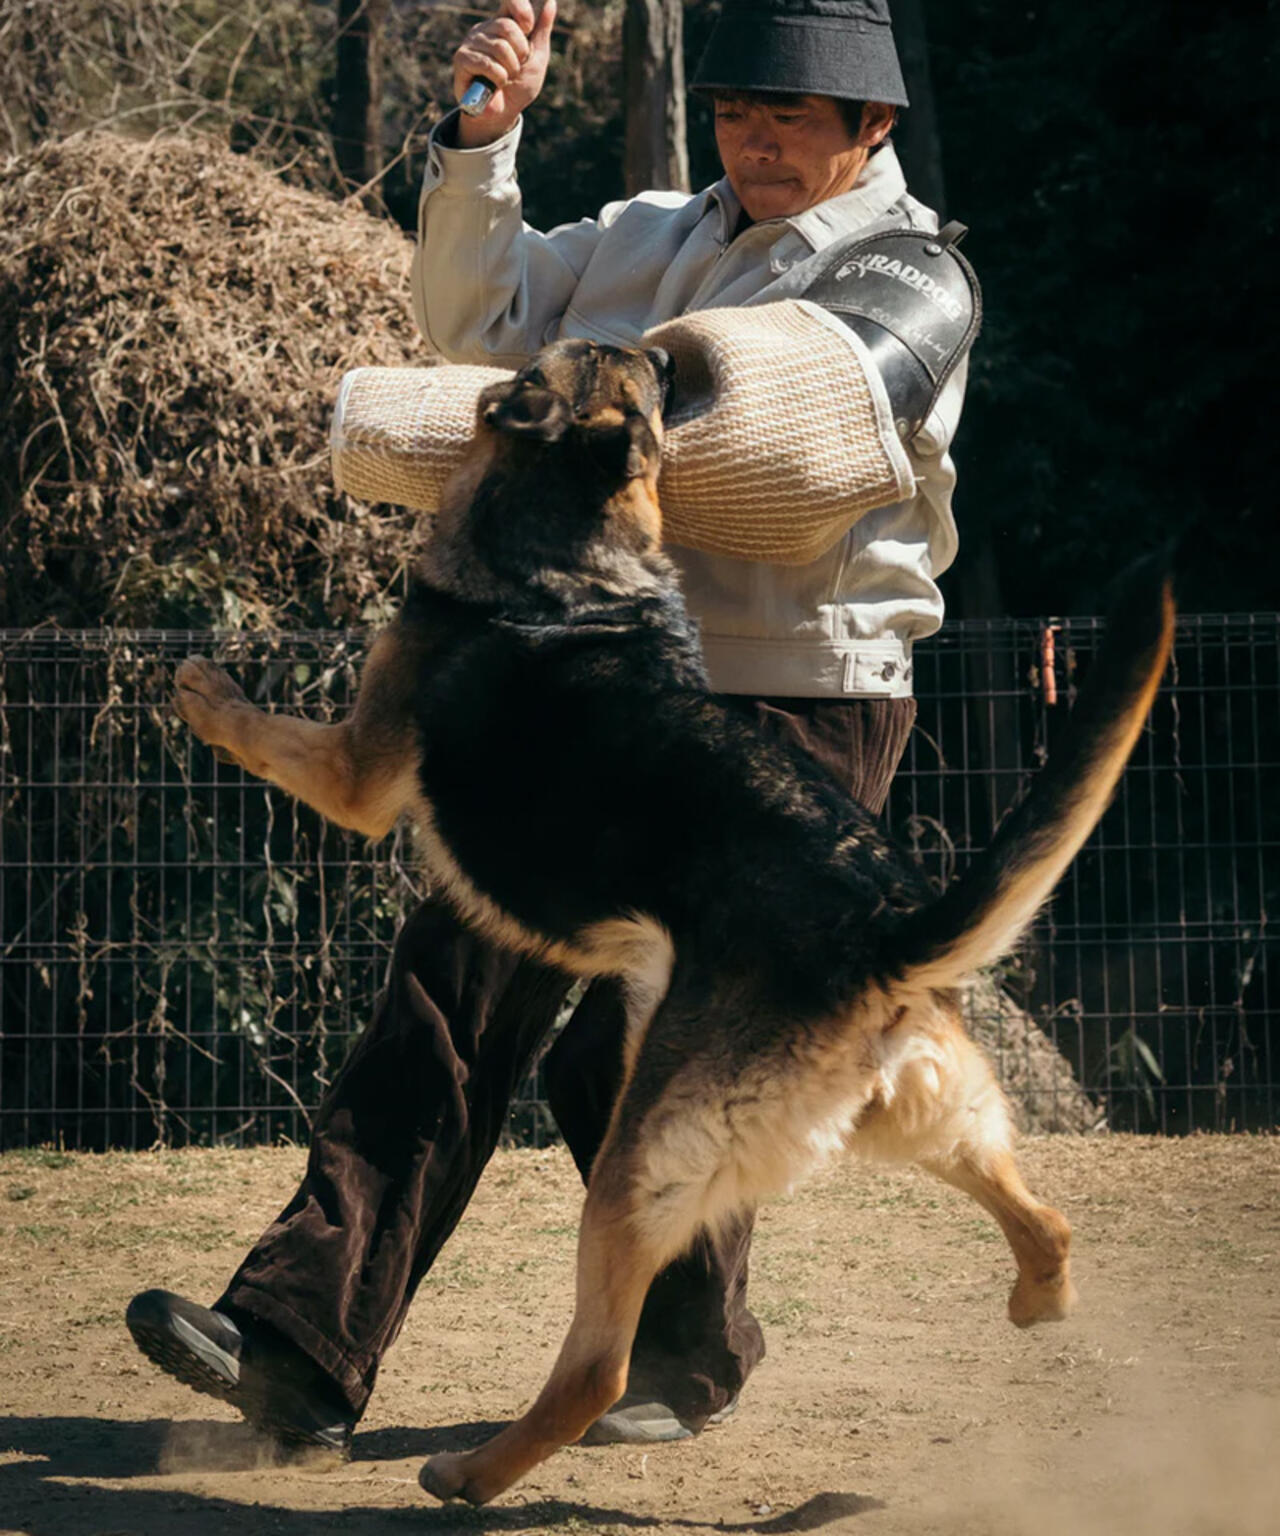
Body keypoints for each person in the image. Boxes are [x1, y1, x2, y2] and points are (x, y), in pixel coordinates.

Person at [126, 0, 972, 1456]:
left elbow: (786, 448)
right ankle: (297, 1349)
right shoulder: (645, 232)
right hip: (600, 669)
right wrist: (483, 139)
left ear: (872, 126)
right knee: (453, 976)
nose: (755, 139)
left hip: (797, 685)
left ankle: (685, 1354)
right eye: (735, 109)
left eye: (791, 115)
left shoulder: (913, 271)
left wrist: (569, 421)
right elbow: (473, 318)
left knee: (645, 1046)